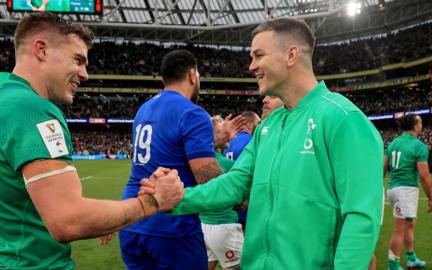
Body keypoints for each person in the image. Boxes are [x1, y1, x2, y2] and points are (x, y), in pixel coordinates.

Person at [141, 17, 384, 269]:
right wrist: (176, 198)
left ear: (291, 55)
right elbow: (233, 184)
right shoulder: (267, 127)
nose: (251, 66)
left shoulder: (344, 120)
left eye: (258, 55)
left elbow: (361, 218)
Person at [0, 12, 184, 269]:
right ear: (41, 50)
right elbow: (68, 220)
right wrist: (153, 201)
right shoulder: (30, 109)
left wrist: (103, 217)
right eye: (78, 60)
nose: (85, 74)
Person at [119, 49, 225, 270]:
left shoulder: (143, 109)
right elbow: (207, 178)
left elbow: (169, 149)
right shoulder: (193, 113)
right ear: (192, 74)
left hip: (133, 218)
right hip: (171, 226)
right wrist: (240, 184)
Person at [385, 114, 431, 270]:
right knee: (400, 229)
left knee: (409, 224)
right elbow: (424, 175)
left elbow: (383, 168)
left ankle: (411, 258)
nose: (422, 125)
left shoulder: (392, 144)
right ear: (414, 126)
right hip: (405, 190)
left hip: (393, 188)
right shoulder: (419, 146)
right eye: (420, 122)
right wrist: (431, 197)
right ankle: (393, 265)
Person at [200, 115, 244, 270]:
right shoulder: (224, 163)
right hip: (224, 226)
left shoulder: (200, 160)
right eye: (221, 128)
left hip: (205, 225)